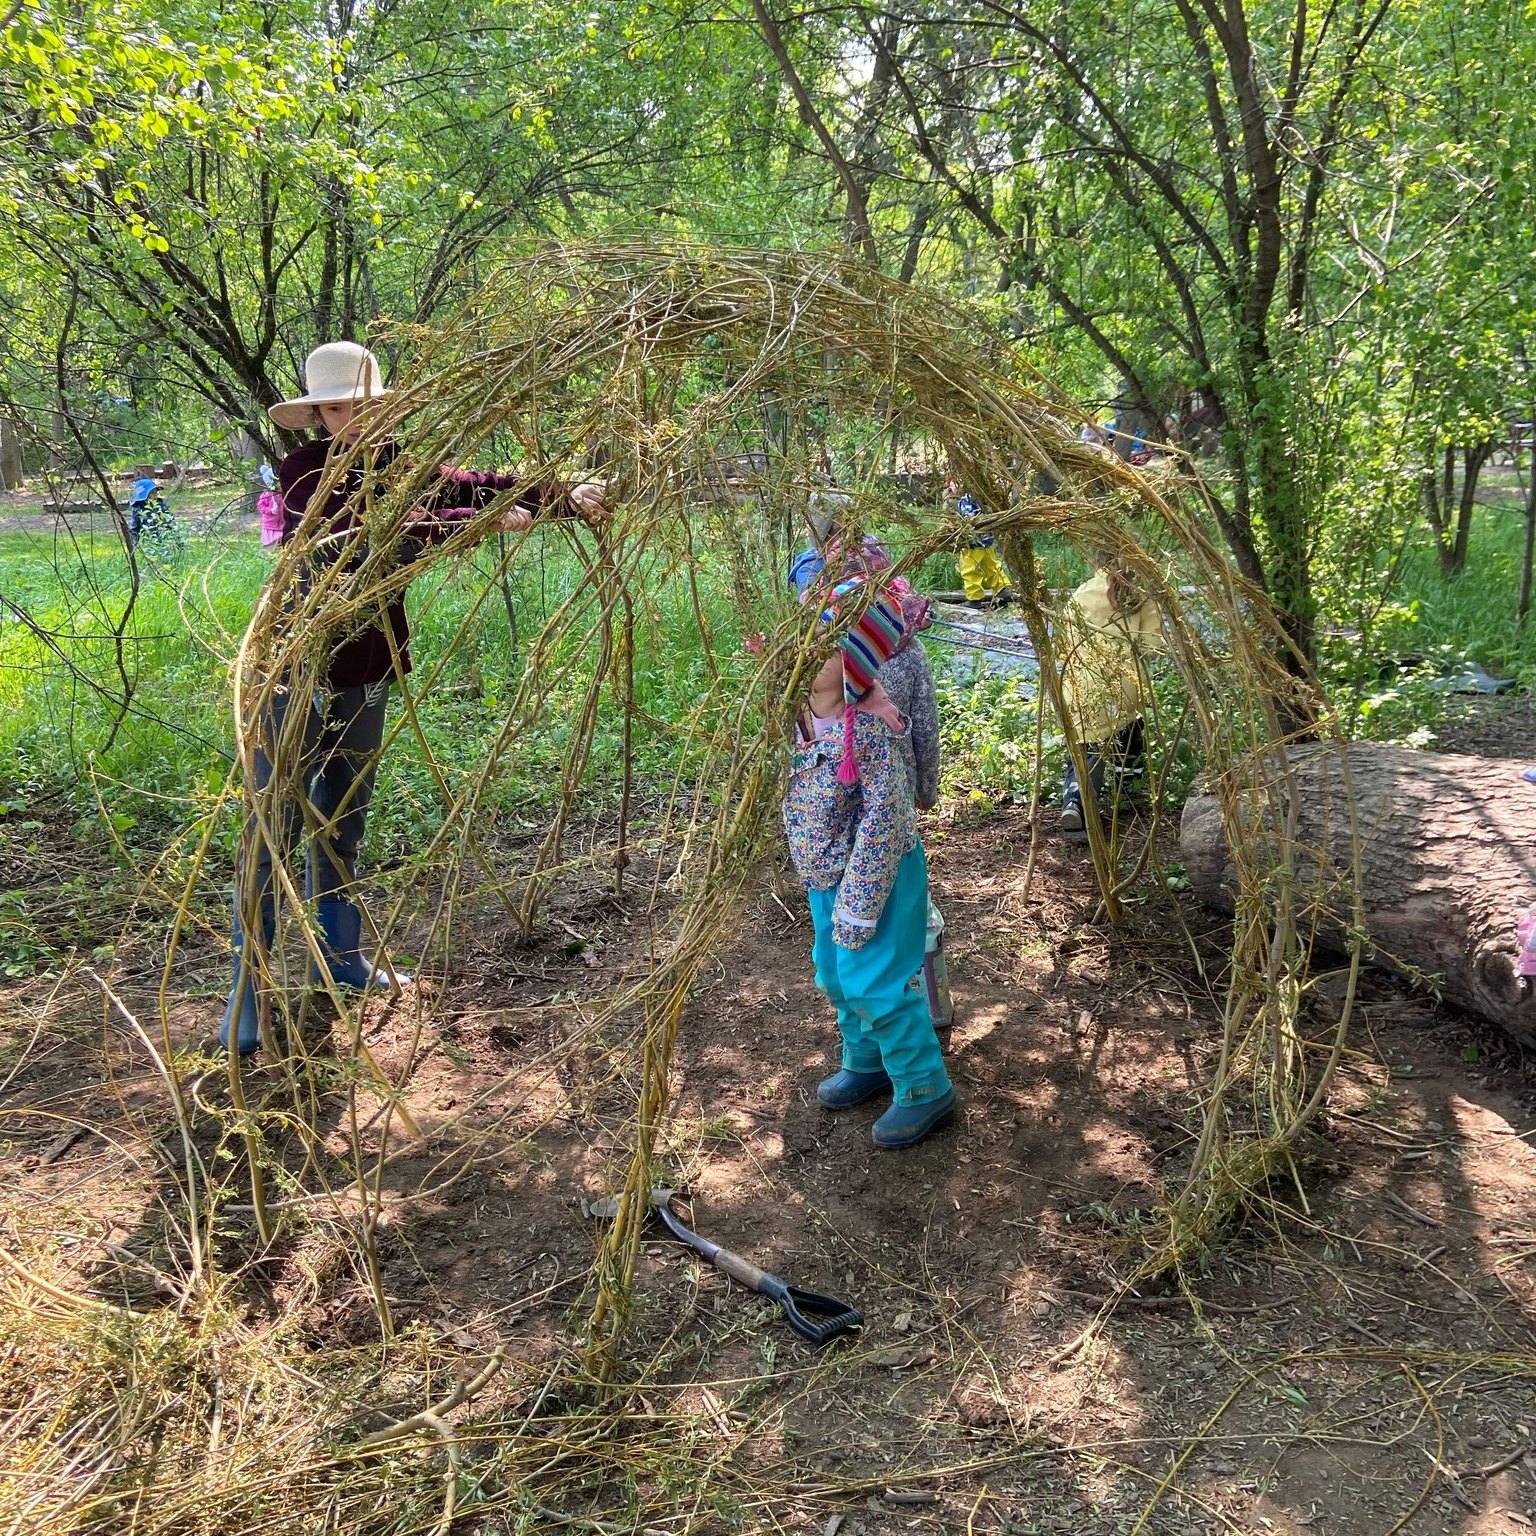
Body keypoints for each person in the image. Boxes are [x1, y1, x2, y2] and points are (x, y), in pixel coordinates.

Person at [220, 340, 604, 1055]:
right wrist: (472, 526)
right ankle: (249, 991)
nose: (352, 421)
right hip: (291, 675)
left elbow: (484, 485)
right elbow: (356, 540)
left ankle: (340, 961)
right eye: (337, 409)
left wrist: (564, 496)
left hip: (365, 676)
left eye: (366, 407)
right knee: (268, 834)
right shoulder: (304, 470)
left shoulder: (404, 468)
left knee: (342, 823)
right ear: (317, 416)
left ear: (390, 408)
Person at [783, 578, 956, 1148]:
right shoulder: (798, 716)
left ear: (856, 665)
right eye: (804, 639)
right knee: (834, 974)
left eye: (828, 647)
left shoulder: (870, 729)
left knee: (874, 980)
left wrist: (858, 905)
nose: (810, 653)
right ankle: (866, 1058)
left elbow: (886, 818)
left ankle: (924, 1085)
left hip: (877, 878)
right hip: (827, 875)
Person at [1057, 550, 1166, 842]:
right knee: (1129, 733)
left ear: (1096, 561)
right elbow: (1153, 646)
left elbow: (1064, 645)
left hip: (1081, 688)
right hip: (1124, 689)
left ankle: (1076, 802)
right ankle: (1126, 792)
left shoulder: (1081, 595)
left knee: (1083, 750)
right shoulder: (1141, 597)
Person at [947, 476, 1010, 605]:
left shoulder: (965, 500)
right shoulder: (980, 497)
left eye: (952, 484)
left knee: (969, 569)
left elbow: (969, 519)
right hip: (987, 539)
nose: (951, 488)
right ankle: (1002, 589)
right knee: (991, 565)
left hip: (973, 542)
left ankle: (974, 597)